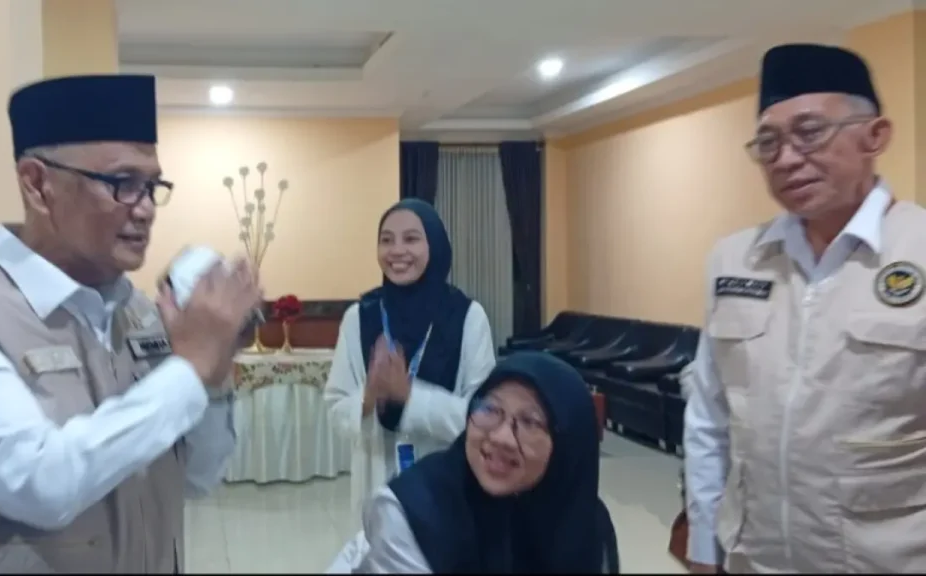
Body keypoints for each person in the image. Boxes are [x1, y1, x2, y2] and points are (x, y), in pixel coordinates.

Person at [0, 75, 261, 572]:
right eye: (122, 184)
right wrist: (189, 369)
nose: (145, 209)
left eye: (152, 186)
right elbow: (40, 486)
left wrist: (213, 377)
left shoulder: (142, 315)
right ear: (37, 184)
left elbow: (198, 477)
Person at [684, 43, 926, 573]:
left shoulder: (919, 250)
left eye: (810, 132)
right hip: (756, 557)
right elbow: (709, 416)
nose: (787, 159)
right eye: (768, 143)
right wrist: (703, 544)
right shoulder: (736, 260)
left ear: (875, 136)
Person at [355, 351, 619, 573]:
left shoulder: (586, 521)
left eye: (530, 422)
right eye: (490, 409)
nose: (502, 437)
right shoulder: (413, 513)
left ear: (569, 445)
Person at [324, 198, 497, 530]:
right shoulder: (359, 317)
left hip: (448, 491)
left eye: (411, 239)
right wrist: (368, 399)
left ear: (435, 245)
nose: (397, 251)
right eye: (386, 240)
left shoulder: (467, 316)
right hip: (376, 485)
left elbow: (485, 418)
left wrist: (410, 399)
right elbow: (335, 408)